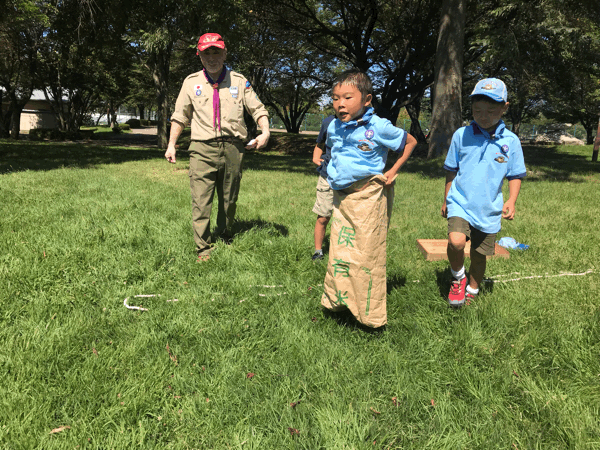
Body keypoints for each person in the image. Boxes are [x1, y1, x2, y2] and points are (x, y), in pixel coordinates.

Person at [321, 70, 417, 328]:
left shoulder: (379, 127)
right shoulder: (333, 125)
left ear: (366, 99)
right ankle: (339, 301)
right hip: (342, 198)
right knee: (341, 251)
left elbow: (410, 142)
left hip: (367, 196)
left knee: (365, 253)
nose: (340, 103)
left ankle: (367, 313)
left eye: (347, 97)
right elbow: (333, 150)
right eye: (335, 98)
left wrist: (392, 171)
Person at [165, 33, 270, 261]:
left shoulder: (239, 81)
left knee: (229, 199)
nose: (212, 57)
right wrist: (171, 144)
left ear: (224, 53)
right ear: (199, 55)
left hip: (234, 148)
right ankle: (203, 248)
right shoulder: (191, 82)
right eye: (206, 53)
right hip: (201, 149)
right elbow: (179, 116)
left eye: (216, 52)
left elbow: (258, 109)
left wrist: (265, 131)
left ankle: (224, 234)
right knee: (201, 201)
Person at [441, 77, 527, 307]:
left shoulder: (511, 141)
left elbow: (515, 174)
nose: (483, 115)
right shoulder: (462, 135)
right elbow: (451, 170)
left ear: (504, 108)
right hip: (460, 201)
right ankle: (458, 277)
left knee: (480, 255)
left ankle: (473, 287)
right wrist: (447, 199)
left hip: (489, 208)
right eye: (478, 110)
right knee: (456, 242)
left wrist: (512, 199)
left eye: (491, 110)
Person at [311, 114, 335, 261]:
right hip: (328, 176)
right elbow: (320, 143)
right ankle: (318, 251)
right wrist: (315, 157)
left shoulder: (360, 122)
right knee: (323, 217)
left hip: (350, 180)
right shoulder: (328, 121)